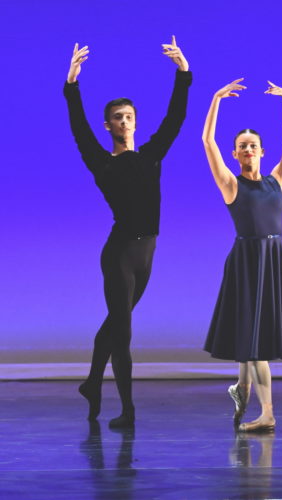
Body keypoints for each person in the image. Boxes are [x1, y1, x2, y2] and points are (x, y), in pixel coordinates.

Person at [64, 38, 191, 428]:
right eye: (117, 117)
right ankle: (127, 410)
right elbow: (79, 128)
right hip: (119, 254)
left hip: (146, 254)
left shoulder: (151, 156)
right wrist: (72, 84)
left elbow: (175, 119)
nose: (124, 121)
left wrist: (183, 73)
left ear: (136, 121)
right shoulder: (101, 162)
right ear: (108, 125)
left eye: (129, 116)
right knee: (123, 332)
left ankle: (91, 383)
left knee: (114, 323)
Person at [202, 78, 282, 432]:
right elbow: (208, 142)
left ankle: (242, 388)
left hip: (271, 260)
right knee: (253, 337)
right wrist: (216, 99)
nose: (248, 150)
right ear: (235, 154)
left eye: (253, 146)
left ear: (262, 151)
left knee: (253, 335)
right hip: (246, 262)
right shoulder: (231, 185)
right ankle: (267, 412)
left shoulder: (277, 181)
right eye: (242, 146)